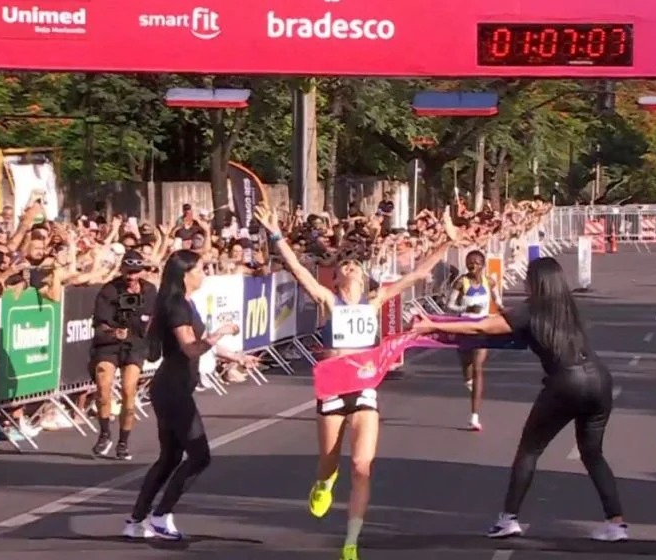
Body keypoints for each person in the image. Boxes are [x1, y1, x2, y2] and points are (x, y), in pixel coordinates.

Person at [252, 203, 460, 560]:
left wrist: (446, 243)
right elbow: (299, 269)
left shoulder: (375, 300)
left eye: (355, 264)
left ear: (363, 278)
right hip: (333, 390)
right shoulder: (327, 301)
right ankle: (324, 483)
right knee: (328, 462)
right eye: (344, 264)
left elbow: (416, 275)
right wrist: (275, 234)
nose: (348, 265)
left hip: (364, 391)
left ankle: (350, 541)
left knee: (362, 466)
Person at [412, 257, 628, 542]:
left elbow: (483, 327)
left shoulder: (532, 310)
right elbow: (508, 322)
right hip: (599, 380)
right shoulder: (568, 309)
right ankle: (616, 523)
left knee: (529, 451)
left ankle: (508, 519)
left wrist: (432, 326)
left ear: (535, 282)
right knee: (593, 453)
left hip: (566, 382)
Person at [123, 249, 260, 541]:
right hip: (171, 390)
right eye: (200, 269)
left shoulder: (185, 304)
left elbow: (199, 344)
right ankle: (160, 516)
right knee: (199, 456)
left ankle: (135, 520)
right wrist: (222, 331)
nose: (204, 273)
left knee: (171, 457)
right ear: (186, 274)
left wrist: (236, 357)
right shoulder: (176, 306)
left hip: (174, 388)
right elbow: (191, 348)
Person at [89, 250, 158, 460]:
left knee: (129, 389)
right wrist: (113, 331)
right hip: (109, 344)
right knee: (103, 384)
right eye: (128, 272)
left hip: (135, 344)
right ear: (122, 270)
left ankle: (123, 442)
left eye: (136, 272)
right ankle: (104, 433)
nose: (132, 276)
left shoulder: (150, 291)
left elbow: (155, 318)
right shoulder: (109, 290)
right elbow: (99, 323)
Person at [445, 250, 503, 431]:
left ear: (483, 265)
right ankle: (468, 379)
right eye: (470, 262)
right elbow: (449, 305)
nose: (473, 266)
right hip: (464, 326)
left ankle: (474, 417)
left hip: (482, 327)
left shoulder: (490, 281)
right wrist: (467, 306)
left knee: (478, 368)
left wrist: (502, 309)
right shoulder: (461, 282)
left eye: (477, 263)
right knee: (467, 366)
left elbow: (497, 299)